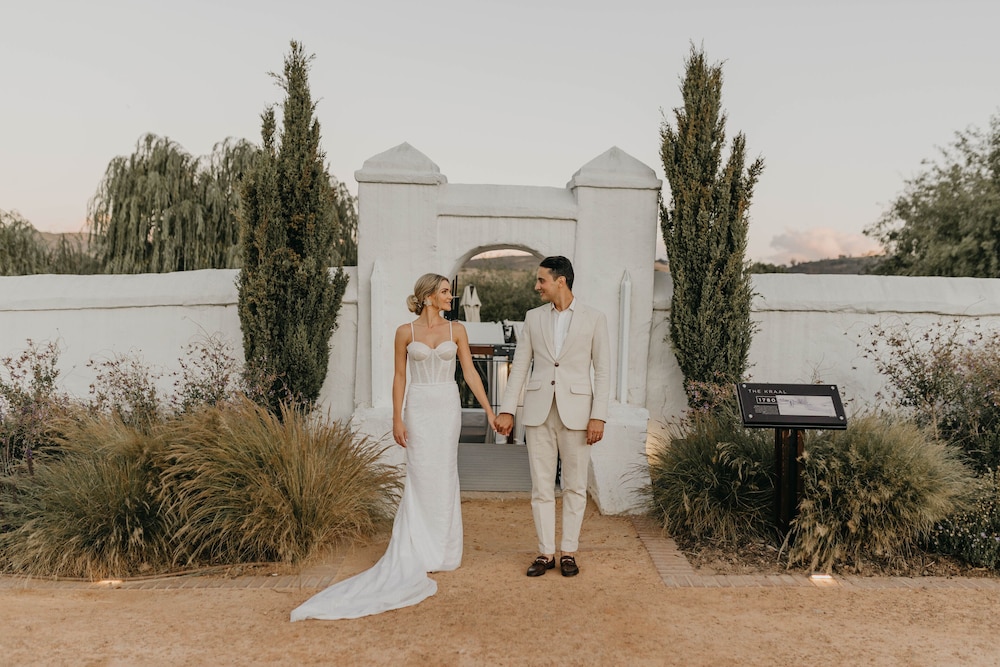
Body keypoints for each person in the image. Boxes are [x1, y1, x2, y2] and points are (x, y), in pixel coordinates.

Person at [291, 273, 497, 621]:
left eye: (449, 292)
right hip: (418, 407)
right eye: (445, 291)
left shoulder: (457, 330)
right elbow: (399, 377)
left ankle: (444, 552)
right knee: (419, 475)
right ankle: (418, 548)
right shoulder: (405, 332)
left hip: (447, 408)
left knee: (444, 475)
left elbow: (470, 374)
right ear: (428, 296)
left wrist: (489, 411)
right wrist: (397, 418)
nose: (450, 296)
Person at [494, 256, 610, 578]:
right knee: (541, 486)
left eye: (541, 280)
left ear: (561, 281)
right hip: (538, 412)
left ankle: (568, 551)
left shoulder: (595, 318)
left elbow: (603, 371)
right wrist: (507, 409)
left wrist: (598, 416)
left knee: (575, 486)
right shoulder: (533, 318)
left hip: (579, 415)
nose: (537, 286)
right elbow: (520, 366)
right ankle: (545, 552)